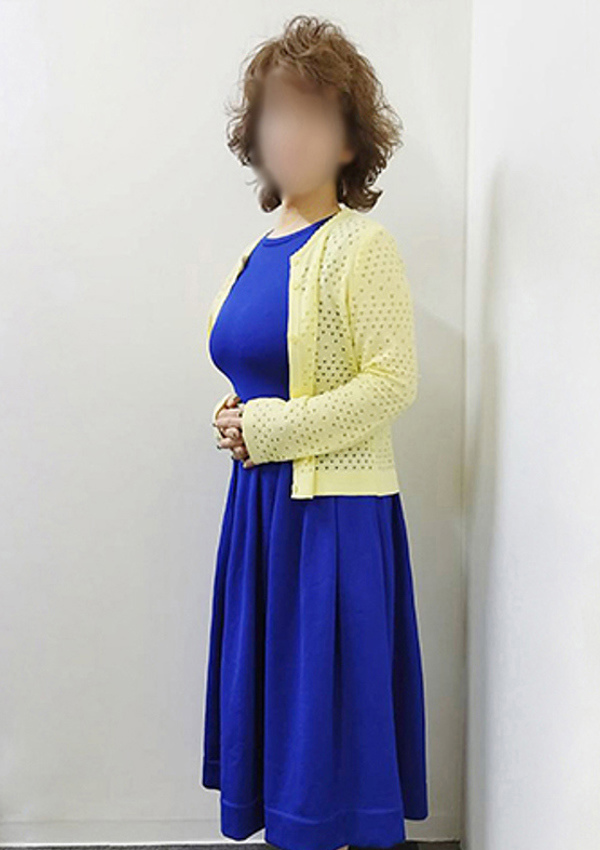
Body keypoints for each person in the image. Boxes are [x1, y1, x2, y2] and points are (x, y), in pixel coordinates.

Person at [201, 14, 428, 850]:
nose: (289, 132)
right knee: (282, 721)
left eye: (311, 115)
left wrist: (267, 428)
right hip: (259, 515)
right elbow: (258, 370)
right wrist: (232, 417)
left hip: (332, 517)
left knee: (325, 727)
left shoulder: (363, 246)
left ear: (349, 140)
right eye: (275, 114)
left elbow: (392, 381)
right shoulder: (256, 252)